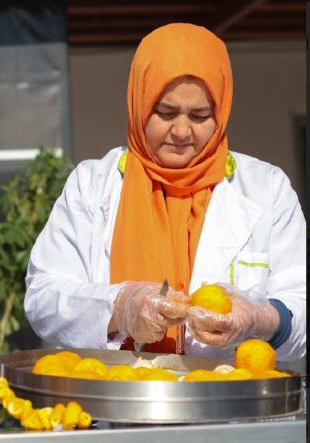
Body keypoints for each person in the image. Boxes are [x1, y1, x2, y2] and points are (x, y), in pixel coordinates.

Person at [24, 23, 305, 362]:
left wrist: (261, 319)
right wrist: (120, 306)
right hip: (117, 405)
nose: (182, 131)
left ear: (221, 114)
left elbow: (300, 304)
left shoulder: (267, 190)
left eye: (200, 116)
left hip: (230, 406)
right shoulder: (92, 185)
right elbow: (43, 298)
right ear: (139, 105)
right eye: (166, 113)